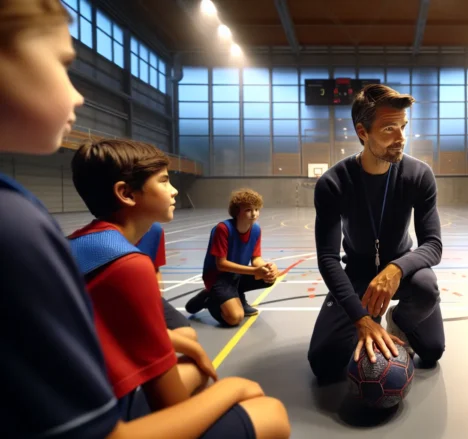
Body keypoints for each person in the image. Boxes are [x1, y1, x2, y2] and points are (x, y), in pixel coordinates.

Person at [1, 2, 289, 438]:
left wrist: (153, 342)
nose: (78, 94)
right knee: (267, 409)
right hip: (94, 419)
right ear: (126, 194)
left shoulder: (73, 234)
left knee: (189, 352)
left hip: (84, 385)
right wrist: (232, 387)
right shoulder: (19, 224)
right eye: (62, 65)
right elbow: (160, 406)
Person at [307, 84, 445, 382]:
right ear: (362, 132)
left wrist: (396, 269)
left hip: (401, 269)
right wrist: (361, 319)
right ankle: (370, 319)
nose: (401, 138)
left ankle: (397, 320)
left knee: (432, 346)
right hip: (357, 272)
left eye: (403, 127)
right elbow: (328, 258)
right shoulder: (334, 183)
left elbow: (433, 245)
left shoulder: (418, 175)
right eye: (388, 129)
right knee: (324, 364)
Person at [184, 189, 279, 327]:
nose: (254, 214)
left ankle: (238, 295)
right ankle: (210, 299)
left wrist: (266, 267)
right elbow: (221, 264)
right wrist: (254, 271)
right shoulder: (223, 229)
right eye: (248, 210)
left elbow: (256, 258)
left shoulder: (256, 229)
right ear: (236, 211)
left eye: (256, 209)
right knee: (235, 318)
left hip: (237, 275)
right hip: (218, 277)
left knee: (268, 278)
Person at [137, 222, 198, 340]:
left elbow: (155, 269)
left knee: (188, 336)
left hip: (148, 298)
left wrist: (156, 300)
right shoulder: (100, 238)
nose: (173, 201)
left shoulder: (155, 230)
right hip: (120, 304)